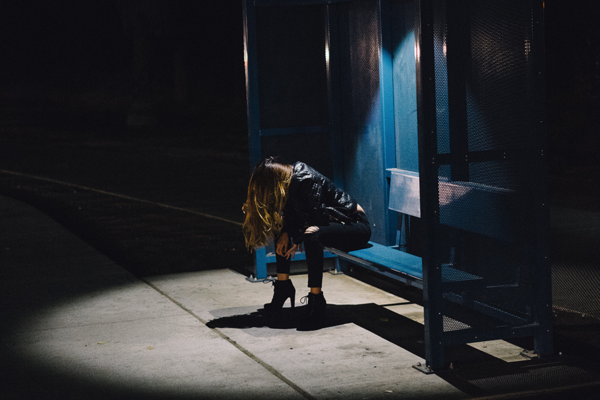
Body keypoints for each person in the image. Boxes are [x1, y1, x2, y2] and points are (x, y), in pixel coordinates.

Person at [242, 157, 371, 326]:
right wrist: (287, 233)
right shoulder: (287, 183)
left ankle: (316, 300)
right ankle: (283, 286)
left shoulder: (305, 178)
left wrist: (297, 240)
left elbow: (318, 217)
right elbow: (293, 216)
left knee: (311, 235)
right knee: (283, 232)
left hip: (354, 226)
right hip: (331, 224)